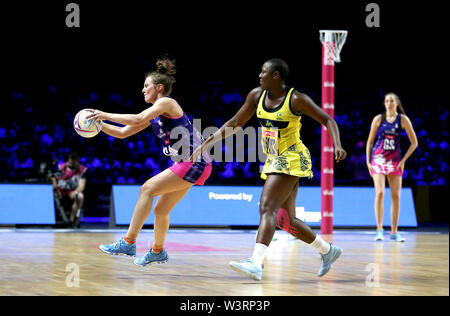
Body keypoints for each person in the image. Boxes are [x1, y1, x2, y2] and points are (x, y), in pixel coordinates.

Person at [191, 58, 347, 281]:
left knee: (267, 206)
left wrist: (337, 145)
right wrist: (207, 143)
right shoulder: (256, 95)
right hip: (273, 158)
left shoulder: (296, 99)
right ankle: (327, 250)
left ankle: (256, 263)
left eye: (263, 73)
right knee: (285, 220)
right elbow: (235, 122)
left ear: (276, 76)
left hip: (292, 157)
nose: (259, 76)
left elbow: (327, 119)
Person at [87, 57, 212, 266]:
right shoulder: (155, 115)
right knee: (161, 210)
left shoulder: (166, 103)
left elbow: (136, 119)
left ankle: (128, 242)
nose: (142, 90)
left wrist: (103, 113)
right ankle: (157, 251)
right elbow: (123, 133)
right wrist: (98, 124)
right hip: (193, 165)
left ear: (159, 88)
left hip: (194, 162)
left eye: (146, 86)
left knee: (147, 189)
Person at [366, 93, 418, 242]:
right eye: (387, 101)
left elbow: (414, 143)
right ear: (384, 103)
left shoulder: (403, 120)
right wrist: (368, 162)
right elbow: (370, 142)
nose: (389, 103)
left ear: (396, 103)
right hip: (378, 159)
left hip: (395, 161)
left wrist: (403, 161)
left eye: (391, 101)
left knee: (396, 196)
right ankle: (379, 229)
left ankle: (394, 232)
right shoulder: (378, 119)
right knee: (380, 193)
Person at [50, 152, 87, 228]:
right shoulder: (61, 167)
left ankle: (73, 220)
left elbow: (82, 185)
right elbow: (53, 179)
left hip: (72, 192)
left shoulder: (82, 170)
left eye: (74, 162)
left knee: (80, 196)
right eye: (70, 161)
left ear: (77, 162)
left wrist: (76, 192)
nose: (71, 164)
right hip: (60, 191)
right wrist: (56, 190)